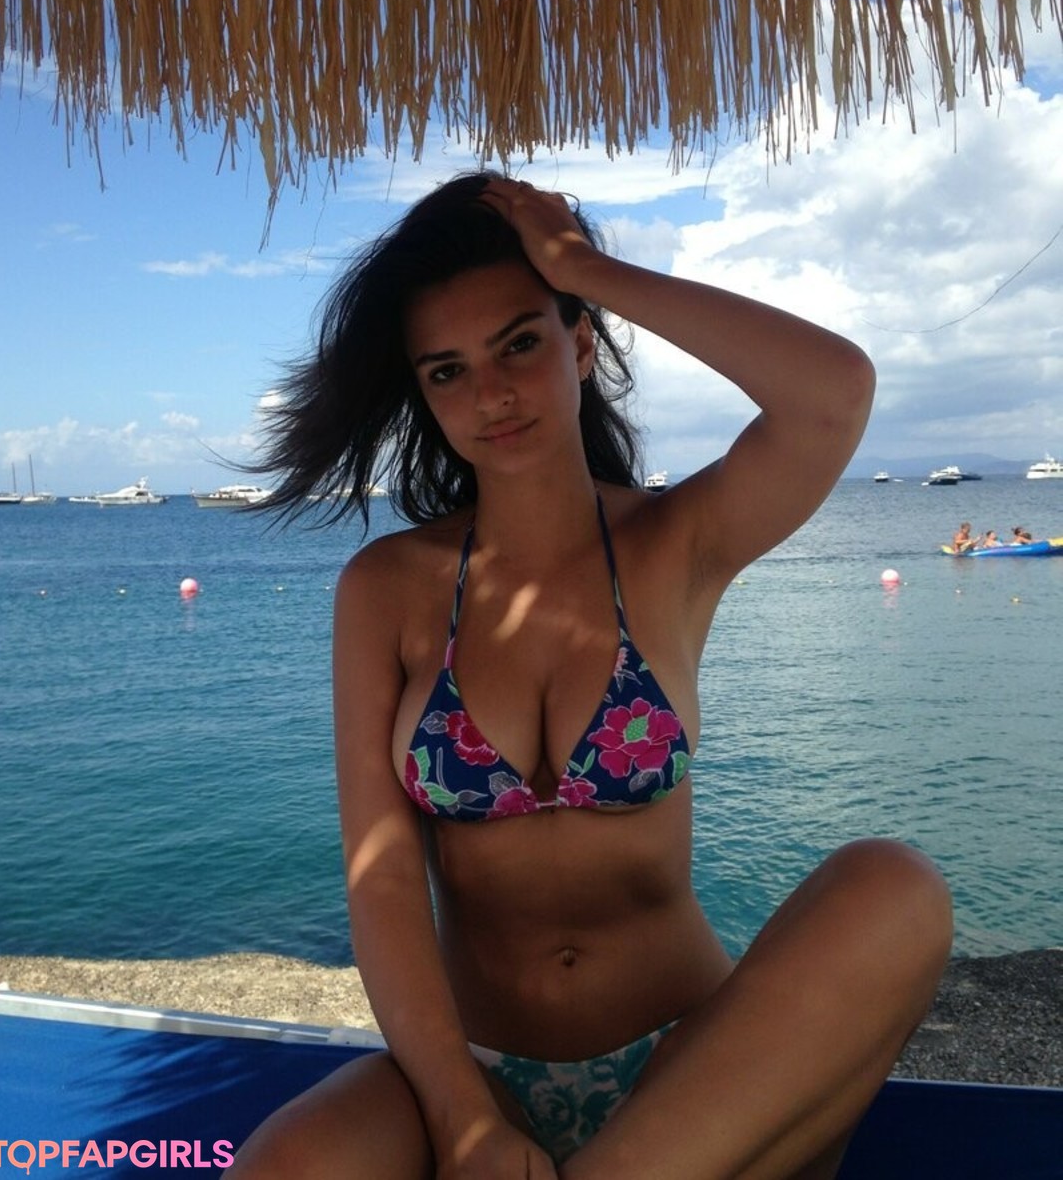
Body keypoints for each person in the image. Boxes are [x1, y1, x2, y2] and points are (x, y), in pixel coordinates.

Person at [233, 174, 951, 1180]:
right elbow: (384, 882)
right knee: (287, 1164)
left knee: (895, 886)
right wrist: (463, 1120)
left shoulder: (675, 542)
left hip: (689, 1075)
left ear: (581, 345)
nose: (490, 394)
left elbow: (831, 394)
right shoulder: (387, 590)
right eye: (447, 371)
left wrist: (585, 269)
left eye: (520, 343)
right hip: (474, 1075)